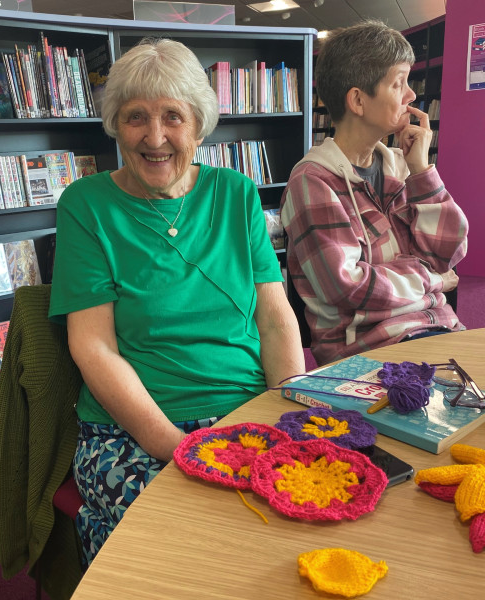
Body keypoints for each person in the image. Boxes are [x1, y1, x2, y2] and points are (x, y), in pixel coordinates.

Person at [49, 38, 304, 565]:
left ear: (200, 124)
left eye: (173, 116)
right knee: (187, 546)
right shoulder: (86, 206)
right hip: (137, 430)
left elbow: (276, 319)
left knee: (314, 508)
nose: (155, 136)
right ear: (115, 125)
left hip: (248, 411)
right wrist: (175, 446)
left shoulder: (236, 193)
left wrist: (287, 413)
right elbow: (93, 348)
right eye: (136, 117)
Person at [281, 20, 468, 367]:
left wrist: (423, 172)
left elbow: (447, 253)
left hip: (437, 331)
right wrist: (433, 280)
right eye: (399, 83)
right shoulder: (311, 182)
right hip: (367, 355)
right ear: (357, 101)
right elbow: (349, 288)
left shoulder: (400, 165)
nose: (411, 95)